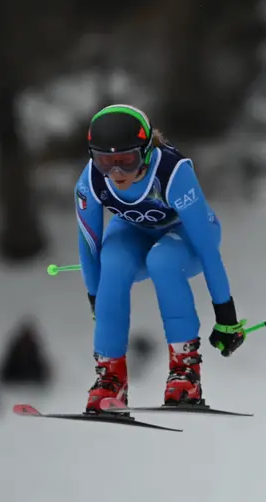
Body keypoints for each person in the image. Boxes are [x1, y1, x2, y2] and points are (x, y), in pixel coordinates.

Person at [74, 104, 246, 413]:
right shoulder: (90, 182)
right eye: (105, 162)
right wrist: (95, 299)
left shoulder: (172, 173)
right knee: (112, 263)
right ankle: (110, 379)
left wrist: (226, 317)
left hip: (187, 237)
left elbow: (207, 249)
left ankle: (185, 372)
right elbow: (89, 246)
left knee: (163, 261)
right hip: (134, 233)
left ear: (146, 152)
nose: (116, 173)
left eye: (126, 161)